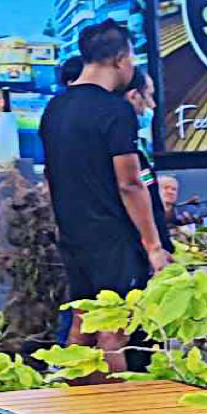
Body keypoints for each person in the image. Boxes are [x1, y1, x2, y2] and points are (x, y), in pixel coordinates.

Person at [39, 20, 169, 371]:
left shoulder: (55, 109)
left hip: (74, 234)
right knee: (114, 328)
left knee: (82, 322)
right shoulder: (116, 111)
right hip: (113, 237)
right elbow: (129, 182)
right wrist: (153, 245)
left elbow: (51, 178)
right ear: (120, 59)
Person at [118, 66, 172, 255]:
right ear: (134, 96)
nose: (153, 105)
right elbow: (133, 189)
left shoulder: (137, 145)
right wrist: (156, 247)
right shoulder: (123, 148)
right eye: (149, 96)